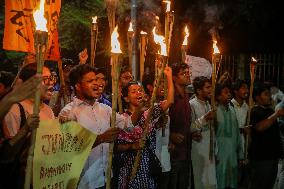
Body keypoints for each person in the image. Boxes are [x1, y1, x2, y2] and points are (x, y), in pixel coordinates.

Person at [58, 64, 142, 189]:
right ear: (78, 86)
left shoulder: (106, 109)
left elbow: (128, 125)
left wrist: (140, 107)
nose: (97, 84)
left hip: (107, 177)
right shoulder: (68, 112)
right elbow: (71, 147)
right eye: (91, 81)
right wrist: (101, 138)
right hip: (84, 181)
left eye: (97, 80)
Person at [114, 65, 174, 189]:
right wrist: (132, 146)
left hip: (148, 167)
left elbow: (169, 101)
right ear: (126, 98)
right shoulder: (121, 118)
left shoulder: (149, 113)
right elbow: (115, 147)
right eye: (134, 91)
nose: (138, 93)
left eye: (140, 90)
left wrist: (169, 77)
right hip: (129, 168)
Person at [2, 63, 55, 189]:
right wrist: (25, 129)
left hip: (44, 178)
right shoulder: (15, 108)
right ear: (30, 84)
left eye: (52, 78)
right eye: (45, 79)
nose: (51, 83)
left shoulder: (48, 110)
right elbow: (7, 154)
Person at [249, 82, 284, 189]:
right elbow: (259, 127)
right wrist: (276, 114)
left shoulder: (269, 110)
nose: (269, 97)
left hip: (273, 158)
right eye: (265, 94)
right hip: (262, 159)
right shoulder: (255, 111)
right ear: (257, 97)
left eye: (269, 94)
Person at [142, 72, 172, 189]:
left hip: (165, 155)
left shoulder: (164, 106)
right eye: (159, 83)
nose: (163, 87)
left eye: (165, 83)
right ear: (150, 87)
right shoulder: (147, 107)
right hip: (153, 157)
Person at [189, 76, 217, 189]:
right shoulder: (192, 104)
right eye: (207, 87)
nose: (210, 90)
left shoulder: (208, 104)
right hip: (198, 149)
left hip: (209, 148)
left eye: (211, 87)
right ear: (199, 90)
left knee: (210, 182)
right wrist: (205, 118)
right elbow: (190, 127)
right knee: (200, 181)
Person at [215, 84, 244, 189]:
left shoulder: (232, 110)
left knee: (232, 183)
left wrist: (240, 154)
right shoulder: (214, 111)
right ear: (218, 96)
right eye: (225, 92)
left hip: (232, 154)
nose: (229, 95)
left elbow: (236, 133)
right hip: (219, 155)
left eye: (229, 92)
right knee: (220, 181)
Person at [169, 62, 192, 189]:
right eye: (183, 73)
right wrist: (170, 135)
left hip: (186, 149)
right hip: (173, 152)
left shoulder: (187, 96)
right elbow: (159, 122)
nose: (188, 76)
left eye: (188, 73)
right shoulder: (170, 97)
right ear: (174, 77)